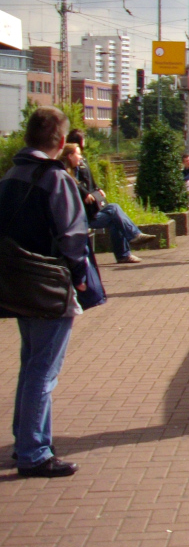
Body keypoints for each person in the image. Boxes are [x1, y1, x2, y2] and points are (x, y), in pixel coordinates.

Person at [1, 108, 106, 477]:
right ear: (61, 143)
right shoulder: (56, 178)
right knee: (43, 371)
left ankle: (27, 439)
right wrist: (80, 276)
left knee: (31, 365)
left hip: (17, 281)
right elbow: (73, 234)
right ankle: (33, 451)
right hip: (48, 282)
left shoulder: (11, 175)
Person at [64, 130, 144, 265]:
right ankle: (133, 236)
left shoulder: (81, 162)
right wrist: (85, 194)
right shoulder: (66, 171)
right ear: (71, 153)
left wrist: (97, 189)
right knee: (114, 210)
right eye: (78, 153)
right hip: (81, 216)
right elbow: (74, 184)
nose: (80, 155)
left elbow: (89, 181)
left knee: (114, 217)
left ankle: (124, 254)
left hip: (90, 210)